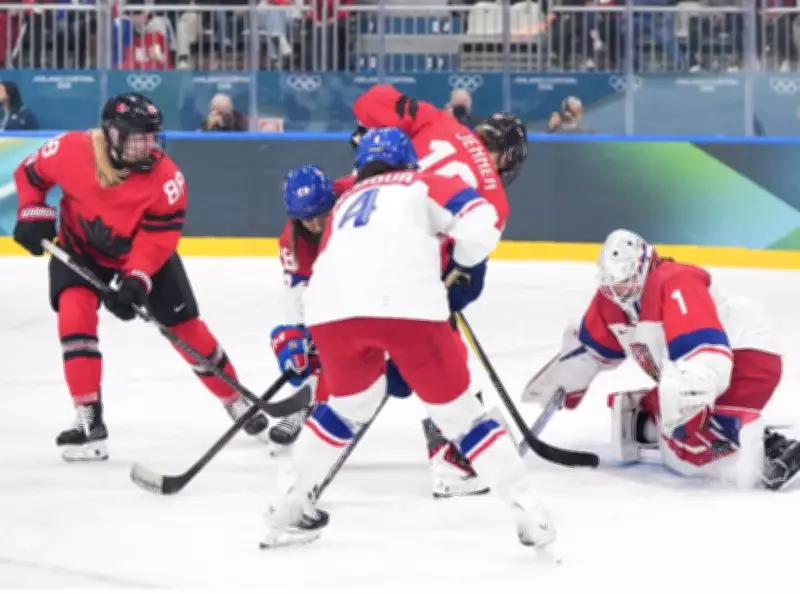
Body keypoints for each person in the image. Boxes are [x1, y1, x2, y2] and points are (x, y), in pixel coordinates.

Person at [261, 128, 556, 550]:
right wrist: (462, 264)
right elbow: (482, 220)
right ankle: (530, 513)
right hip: (409, 309)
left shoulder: (343, 201)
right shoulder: (422, 183)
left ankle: (286, 505)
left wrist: (295, 331)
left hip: (332, 314)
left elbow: (319, 273)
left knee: (343, 412)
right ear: (409, 162)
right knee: (463, 419)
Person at [11, 93, 269, 462]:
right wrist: (32, 212)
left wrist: (135, 280)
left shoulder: (167, 180)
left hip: (140, 255)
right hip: (80, 247)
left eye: (153, 135)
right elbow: (29, 175)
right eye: (138, 136)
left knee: (184, 329)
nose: (149, 145)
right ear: (112, 134)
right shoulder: (68, 151)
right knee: (74, 316)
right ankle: (88, 419)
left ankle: (236, 398)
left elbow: (158, 238)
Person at [350, 84, 528, 498]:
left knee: (344, 326)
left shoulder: (437, 119)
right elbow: (466, 263)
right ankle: (457, 454)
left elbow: (367, 103)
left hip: (354, 216)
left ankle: (318, 411)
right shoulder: (494, 200)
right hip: (413, 258)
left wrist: (368, 136)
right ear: (507, 159)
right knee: (440, 336)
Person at [522, 229, 795, 489]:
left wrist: (689, 401)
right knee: (652, 415)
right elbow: (588, 352)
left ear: (644, 267)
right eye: (614, 284)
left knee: (691, 449)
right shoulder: (611, 301)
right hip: (708, 362)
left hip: (748, 356)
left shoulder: (675, 281)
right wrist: (563, 384)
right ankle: (726, 430)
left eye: (627, 282)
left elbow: (705, 349)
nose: (620, 292)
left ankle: (768, 451)